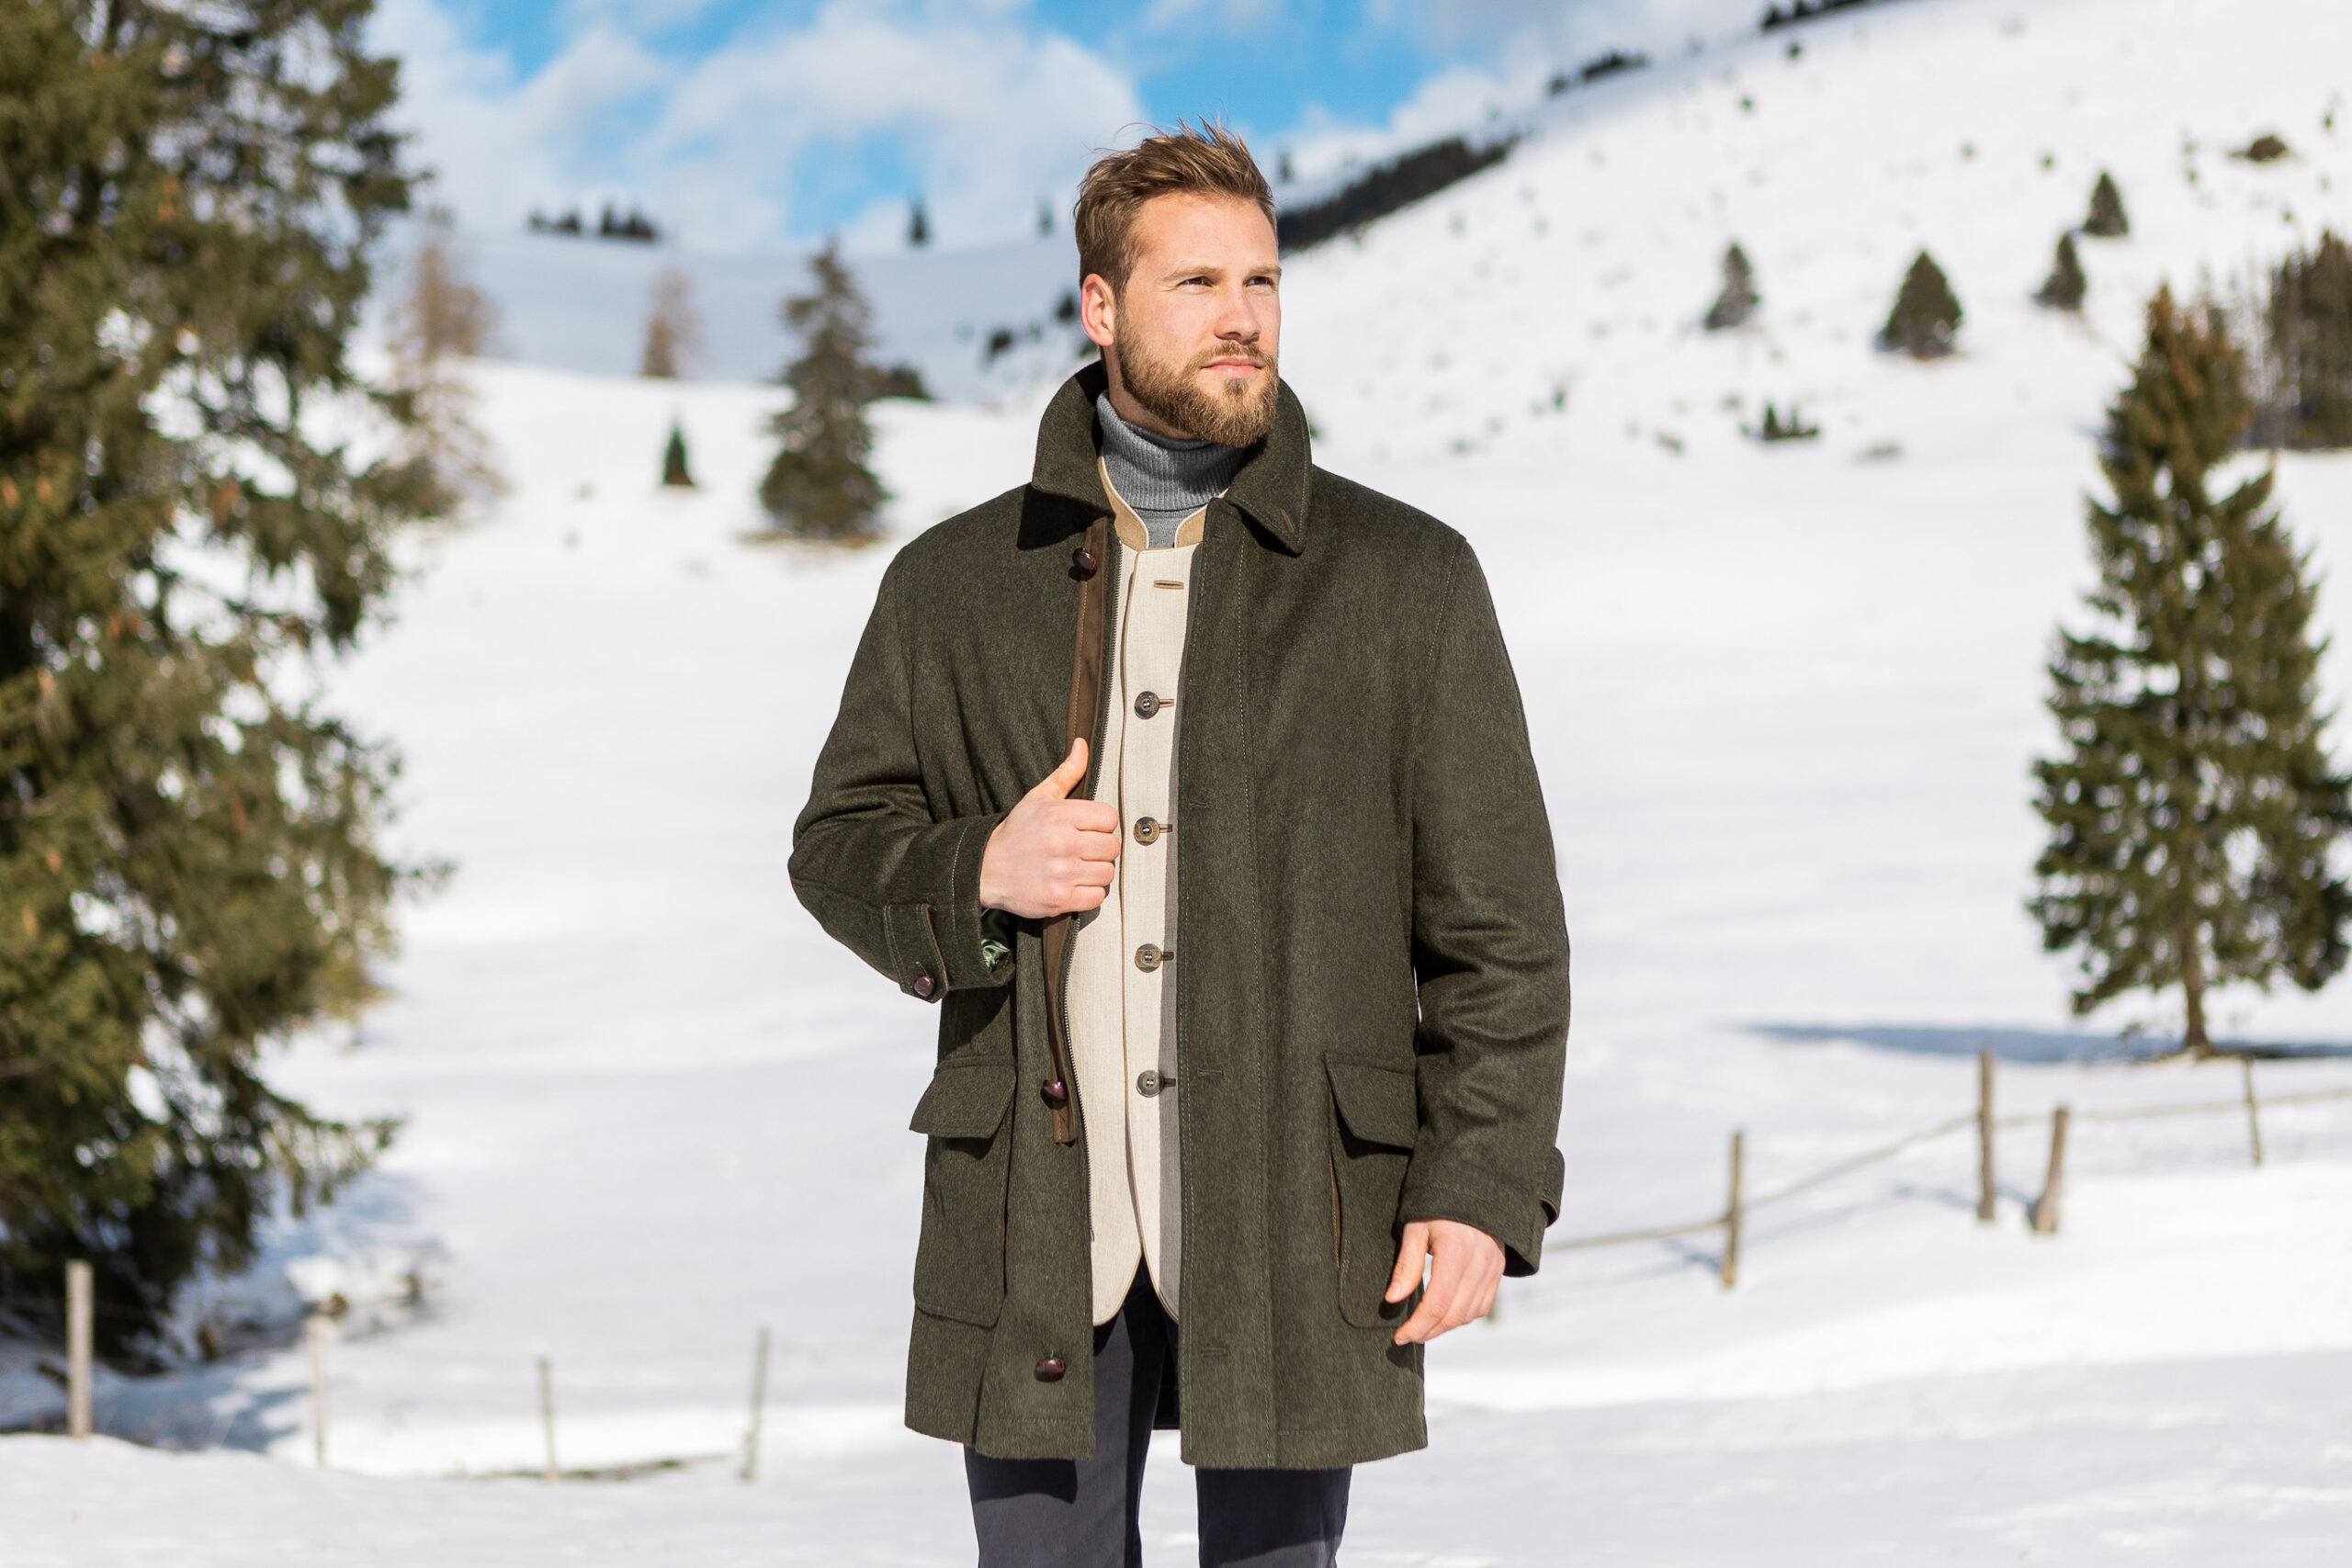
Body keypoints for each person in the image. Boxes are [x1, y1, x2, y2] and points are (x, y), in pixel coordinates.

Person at [792, 122, 1569, 1568]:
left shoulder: (1407, 582)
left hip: (1299, 1208)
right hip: (1033, 1217)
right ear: (1100, 308)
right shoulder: (955, 585)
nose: (1241, 317)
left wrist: (1479, 1187)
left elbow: (1502, 936)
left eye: (1262, 281)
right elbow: (837, 847)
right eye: (1196, 282)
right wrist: (975, 873)